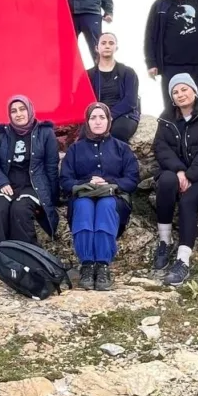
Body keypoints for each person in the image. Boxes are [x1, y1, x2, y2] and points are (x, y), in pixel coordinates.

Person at [0, 95, 59, 279]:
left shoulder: (45, 133)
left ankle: (25, 256)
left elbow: (51, 167)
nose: (18, 114)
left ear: (30, 110)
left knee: (20, 209)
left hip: (32, 186)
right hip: (7, 184)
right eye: (14, 111)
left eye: (22, 109)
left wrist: (53, 198)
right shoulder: (3, 134)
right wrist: (2, 182)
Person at [59, 103, 139, 291]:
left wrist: (109, 182)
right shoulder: (75, 149)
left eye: (102, 117)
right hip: (83, 197)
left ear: (109, 120)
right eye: (93, 117)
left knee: (105, 206)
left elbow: (132, 178)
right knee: (84, 207)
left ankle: (102, 265)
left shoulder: (122, 148)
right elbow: (65, 180)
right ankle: (87, 264)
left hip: (113, 197)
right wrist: (87, 182)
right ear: (87, 121)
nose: (97, 121)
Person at [152, 73, 198, 286]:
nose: (180, 94)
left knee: (187, 201)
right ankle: (165, 241)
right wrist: (180, 172)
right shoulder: (166, 119)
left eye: (184, 89)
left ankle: (182, 261)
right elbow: (161, 148)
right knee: (165, 182)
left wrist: (191, 176)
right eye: (175, 91)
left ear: (194, 90)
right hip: (176, 172)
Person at [87, 32, 140, 142]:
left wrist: (109, 116)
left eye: (111, 43)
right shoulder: (89, 75)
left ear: (116, 48)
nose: (107, 46)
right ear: (97, 48)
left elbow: (131, 101)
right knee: (86, 138)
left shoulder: (128, 72)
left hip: (124, 114)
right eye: (103, 43)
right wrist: (99, 116)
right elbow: (84, 99)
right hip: (98, 114)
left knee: (116, 135)